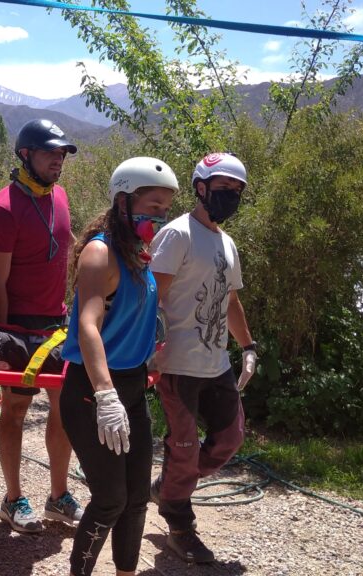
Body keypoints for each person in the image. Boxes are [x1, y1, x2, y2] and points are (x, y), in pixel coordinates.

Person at [60, 157, 177, 576]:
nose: (159, 215)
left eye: (166, 208)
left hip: (131, 387)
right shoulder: (100, 253)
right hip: (93, 390)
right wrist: (106, 394)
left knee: (135, 500)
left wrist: (154, 351)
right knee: (109, 498)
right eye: (153, 205)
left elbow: (138, 313)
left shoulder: (139, 255)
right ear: (124, 201)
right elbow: (88, 325)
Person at [148, 152, 256, 564]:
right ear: (200, 188)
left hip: (217, 364)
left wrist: (248, 347)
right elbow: (152, 298)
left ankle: (170, 484)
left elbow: (230, 301)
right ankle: (179, 523)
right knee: (185, 445)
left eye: (237, 191)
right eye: (223, 188)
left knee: (230, 439)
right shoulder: (177, 235)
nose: (230, 196)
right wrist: (147, 354)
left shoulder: (227, 244)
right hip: (176, 364)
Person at [0, 119, 82, 532]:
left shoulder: (59, 196)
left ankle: (58, 496)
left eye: (62, 154)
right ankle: (12, 498)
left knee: (66, 411)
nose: (58, 160)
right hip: (18, 328)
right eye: (50, 153)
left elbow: (67, 247)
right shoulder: (1, 210)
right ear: (25, 155)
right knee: (17, 411)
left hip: (57, 324)